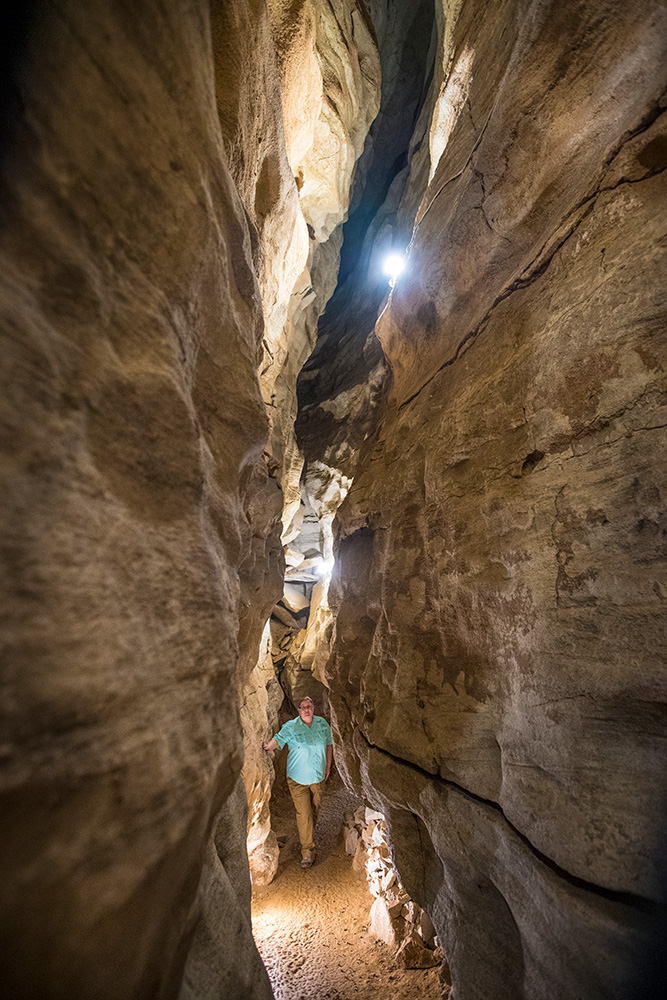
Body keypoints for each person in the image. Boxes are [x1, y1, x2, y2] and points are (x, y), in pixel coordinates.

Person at [262, 696, 333, 868]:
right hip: (297, 779)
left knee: (316, 806)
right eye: (303, 707)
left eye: (309, 706)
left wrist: (328, 765)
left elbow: (329, 744)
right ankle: (307, 851)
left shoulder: (322, 724)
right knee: (304, 813)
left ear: (313, 708)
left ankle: (308, 831)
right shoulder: (291, 727)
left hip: (318, 777)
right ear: (299, 710)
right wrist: (267, 746)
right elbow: (278, 739)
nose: (306, 709)